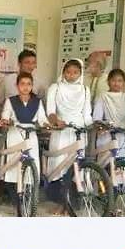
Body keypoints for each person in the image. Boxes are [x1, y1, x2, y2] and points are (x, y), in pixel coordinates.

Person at [46, 58, 92, 212]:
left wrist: (91, 125)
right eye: (68, 72)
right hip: (61, 131)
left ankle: (71, 204)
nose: (71, 75)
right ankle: (61, 203)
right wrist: (56, 121)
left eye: (75, 72)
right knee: (60, 166)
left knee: (77, 168)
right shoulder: (55, 87)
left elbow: (87, 114)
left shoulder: (85, 89)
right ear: (63, 72)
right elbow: (50, 111)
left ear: (80, 73)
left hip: (78, 131)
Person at [0, 72, 47, 204]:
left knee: (31, 163)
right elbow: (5, 115)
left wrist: (46, 124)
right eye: (22, 84)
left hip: (31, 134)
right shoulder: (11, 101)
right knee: (13, 165)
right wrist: (6, 120)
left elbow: (42, 119)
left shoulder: (37, 101)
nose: (25, 87)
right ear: (17, 86)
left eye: (28, 84)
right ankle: (15, 195)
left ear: (32, 86)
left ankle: (29, 195)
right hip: (15, 133)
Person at [92, 69, 125, 158]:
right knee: (105, 164)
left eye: (119, 81)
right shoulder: (103, 96)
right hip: (106, 135)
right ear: (108, 82)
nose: (116, 83)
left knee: (121, 164)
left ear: (124, 83)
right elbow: (97, 118)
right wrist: (102, 126)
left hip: (122, 136)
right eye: (113, 80)